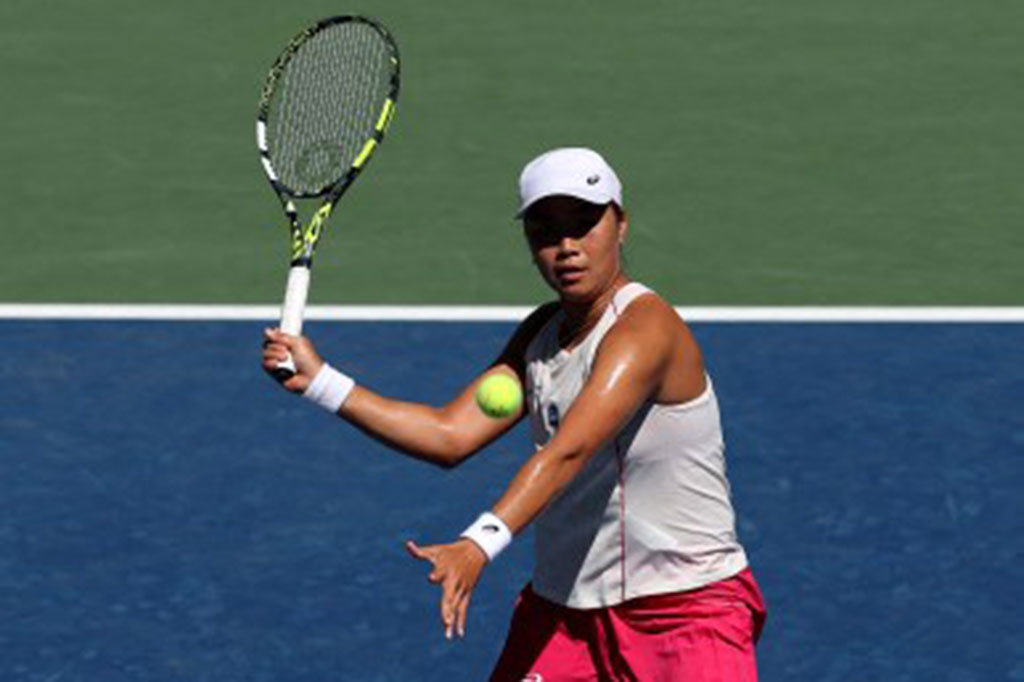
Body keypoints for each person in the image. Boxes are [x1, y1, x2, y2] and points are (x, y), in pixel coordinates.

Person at [262, 147, 766, 681]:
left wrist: (478, 545)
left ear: (620, 225)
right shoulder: (540, 337)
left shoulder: (646, 332)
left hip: (682, 614)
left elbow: (570, 449)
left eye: (584, 223)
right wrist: (322, 383)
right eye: (546, 230)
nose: (567, 247)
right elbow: (449, 435)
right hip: (566, 618)